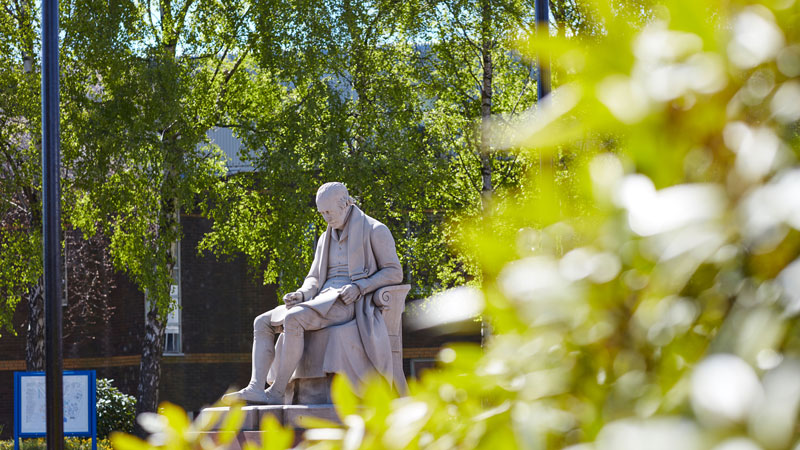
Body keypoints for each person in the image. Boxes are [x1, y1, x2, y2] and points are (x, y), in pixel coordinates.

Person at [223, 182, 403, 404]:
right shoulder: (325, 238)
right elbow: (314, 278)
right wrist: (301, 294)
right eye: (322, 213)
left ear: (345, 204)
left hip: (349, 301)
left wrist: (360, 287)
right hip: (321, 298)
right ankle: (256, 388)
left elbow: (394, 272)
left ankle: (276, 392)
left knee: (293, 319)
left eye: (329, 212)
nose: (326, 217)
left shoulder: (376, 230)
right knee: (262, 322)